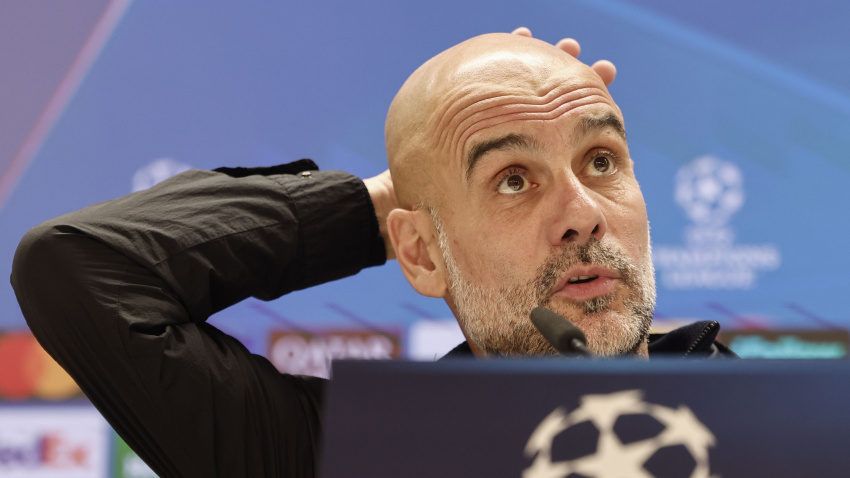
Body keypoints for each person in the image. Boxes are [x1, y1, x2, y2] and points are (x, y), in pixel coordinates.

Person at [11, 30, 733, 478]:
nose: (582, 214)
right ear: (419, 255)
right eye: (513, 180)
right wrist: (393, 196)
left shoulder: (804, 427)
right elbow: (79, 268)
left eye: (601, 161)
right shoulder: (340, 458)